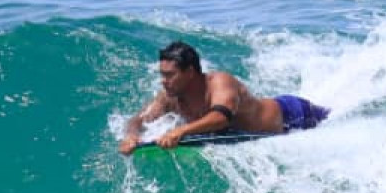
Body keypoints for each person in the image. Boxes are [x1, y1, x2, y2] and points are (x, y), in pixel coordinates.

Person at [117, 41, 329, 155]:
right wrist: (132, 136)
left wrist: (179, 131)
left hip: (293, 115)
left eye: (169, 75)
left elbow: (221, 117)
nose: (163, 81)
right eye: (162, 75)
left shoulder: (220, 83)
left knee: (334, 122)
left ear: (190, 72)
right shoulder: (169, 97)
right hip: (259, 133)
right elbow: (138, 119)